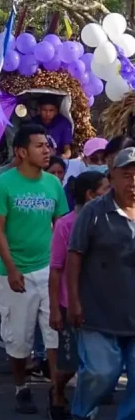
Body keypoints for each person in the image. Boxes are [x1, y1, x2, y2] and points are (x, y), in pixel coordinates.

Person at [0, 124, 69, 415]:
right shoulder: (4, 184)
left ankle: (57, 394)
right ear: (21, 152)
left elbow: (61, 227)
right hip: (14, 274)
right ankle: (21, 387)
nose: (47, 150)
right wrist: (11, 268)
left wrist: (62, 269)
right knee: (19, 340)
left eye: (47, 145)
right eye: (39, 146)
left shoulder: (54, 184)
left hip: (49, 272)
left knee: (55, 335)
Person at [65, 147, 135, 419]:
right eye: (127, 175)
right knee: (100, 373)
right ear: (112, 177)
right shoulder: (94, 212)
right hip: (98, 313)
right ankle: (80, 413)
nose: (133, 182)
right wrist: (73, 302)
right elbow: (74, 256)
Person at [47, 171, 109, 419]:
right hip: (69, 305)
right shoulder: (65, 225)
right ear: (90, 194)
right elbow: (56, 269)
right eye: (105, 188)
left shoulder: (112, 221)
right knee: (69, 366)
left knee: (94, 365)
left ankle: (86, 409)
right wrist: (54, 309)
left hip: (101, 307)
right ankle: (57, 391)